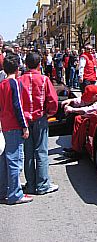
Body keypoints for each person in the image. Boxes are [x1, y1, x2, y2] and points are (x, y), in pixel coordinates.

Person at [18, 52, 59, 195]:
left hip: (24, 120)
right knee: (41, 151)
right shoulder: (44, 79)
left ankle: (30, 184)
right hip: (40, 117)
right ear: (39, 64)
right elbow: (53, 100)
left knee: (28, 153)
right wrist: (49, 113)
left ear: (25, 64)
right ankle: (42, 185)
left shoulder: (19, 80)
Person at [0, 53, 33, 205]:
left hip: (5, 124)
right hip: (14, 124)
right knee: (15, 160)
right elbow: (18, 106)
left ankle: (4, 190)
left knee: (5, 160)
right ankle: (15, 194)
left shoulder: (1, 84)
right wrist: (24, 126)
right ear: (18, 68)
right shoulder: (14, 83)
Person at [62, 85, 97, 159]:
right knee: (77, 118)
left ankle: (77, 151)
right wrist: (71, 100)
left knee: (81, 120)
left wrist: (72, 109)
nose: (87, 100)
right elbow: (82, 100)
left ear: (96, 96)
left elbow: (92, 108)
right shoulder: (96, 94)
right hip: (95, 115)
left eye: (89, 98)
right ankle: (75, 147)